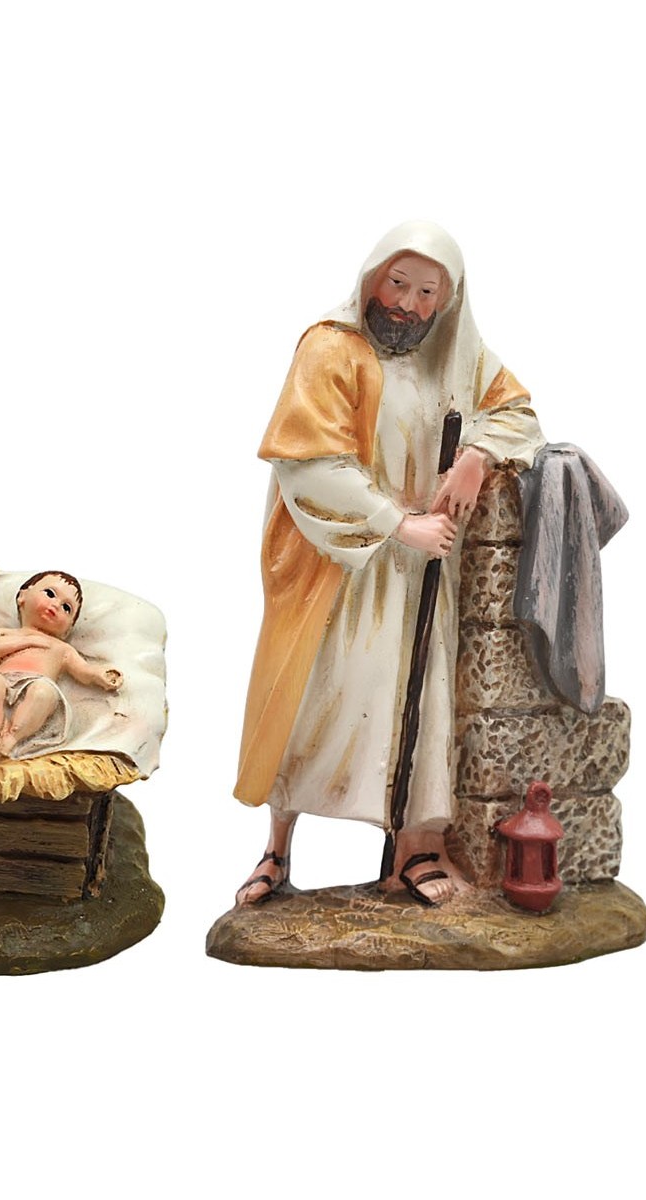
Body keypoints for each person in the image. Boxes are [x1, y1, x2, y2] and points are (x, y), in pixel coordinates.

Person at [233, 222, 545, 907]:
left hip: (421, 575)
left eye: (427, 291)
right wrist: (398, 524)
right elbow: (310, 464)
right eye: (397, 283)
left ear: (448, 300)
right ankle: (277, 850)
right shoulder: (330, 348)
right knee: (313, 702)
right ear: (373, 277)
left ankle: (414, 851)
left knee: (417, 706)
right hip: (340, 571)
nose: (407, 304)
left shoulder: (458, 357)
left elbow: (518, 413)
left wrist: (477, 455)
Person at [0, 571, 123, 758]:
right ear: (23, 596)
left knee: (44, 692)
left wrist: (99, 674)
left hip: (36, 683)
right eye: (50, 594)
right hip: (2, 680)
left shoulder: (62, 648)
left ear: (68, 629)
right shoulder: (6, 633)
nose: (56, 605)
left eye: (66, 608)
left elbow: (82, 671)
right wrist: (27, 641)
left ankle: (12, 738)